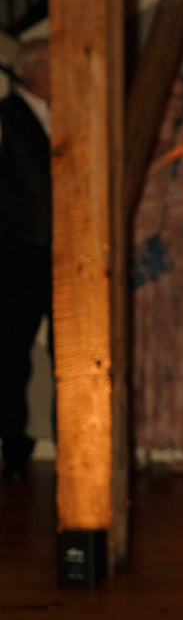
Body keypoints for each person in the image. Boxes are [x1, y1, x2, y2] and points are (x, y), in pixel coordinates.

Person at [131, 72, 183, 470]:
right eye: (170, 95)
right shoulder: (136, 139)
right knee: (142, 344)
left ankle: (180, 438)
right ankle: (142, 437)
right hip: (144, 245)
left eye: (181, 96)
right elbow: (127, 189)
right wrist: (170, 154)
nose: (175, 104)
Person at [0, 38, 51, 481]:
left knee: (72, 355)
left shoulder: (70, 114)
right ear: (33, 69)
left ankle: (74, 438)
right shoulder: (6, 117)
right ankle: (13, 443)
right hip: (18, 254)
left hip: (65, 256)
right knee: (13, 352)